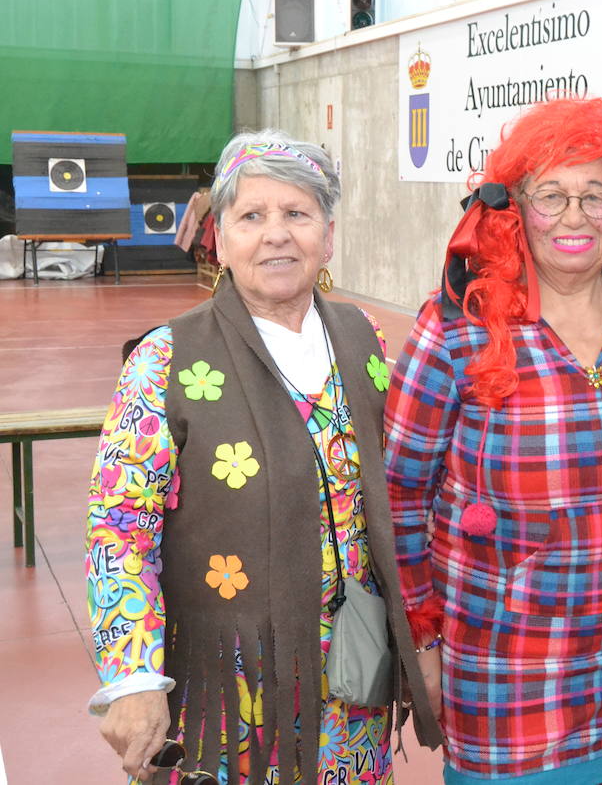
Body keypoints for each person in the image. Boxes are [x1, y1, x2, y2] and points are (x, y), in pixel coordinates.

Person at [86, 131, 440, 784]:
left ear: (327, 236)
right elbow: (120, 533)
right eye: (252, 216)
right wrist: (131, 674)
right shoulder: (165, 362)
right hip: (229, 699)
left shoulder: (363, 337)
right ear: (219, 236)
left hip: (351, 691)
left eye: (297, 214)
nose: (276, 234)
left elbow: (399, 497)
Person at [383, 98, 602, 785]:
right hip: (503, 668)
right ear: (513, 209)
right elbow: (401, 494)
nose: (575, 216)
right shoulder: (456, 329)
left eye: (596, 196)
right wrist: (423, 642)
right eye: (550, 195)